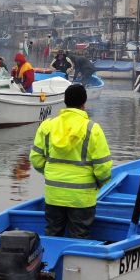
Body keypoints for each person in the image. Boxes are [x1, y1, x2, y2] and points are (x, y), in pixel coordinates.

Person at [29, 84, 112, 239]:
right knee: (79, 237)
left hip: (54, 194)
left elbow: (35, 159)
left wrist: (51, 173)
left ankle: (50, 261)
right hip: (82, 198)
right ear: (84, 103)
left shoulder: (47, 125)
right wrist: (98, 184)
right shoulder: (92, 129)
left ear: (64, 101)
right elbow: (104, 168)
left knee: (52, 235)